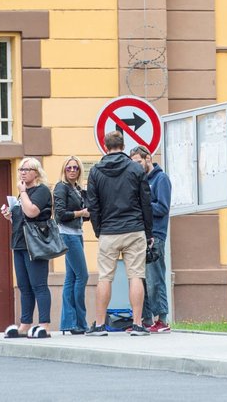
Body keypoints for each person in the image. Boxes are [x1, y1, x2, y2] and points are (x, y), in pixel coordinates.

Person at [85, 129, 153, 337]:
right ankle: (138, 324)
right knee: (136, 276)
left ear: (105, 147)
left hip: (108, 231)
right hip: (134, 229)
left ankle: (99, 325)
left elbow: (93, 206)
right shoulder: (135, 169)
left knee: (105, 277)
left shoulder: (95, 171)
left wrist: (99, 230)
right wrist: (147, 231)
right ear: (123, 146)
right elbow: (146, 203)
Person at [0, 157, 54, 338]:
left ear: (36, 172)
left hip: (36, 244)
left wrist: (23, 193)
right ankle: (25, 324)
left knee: (39, 284)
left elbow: (32, 212)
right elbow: (21, 217)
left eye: (26, 169)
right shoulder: (21, 194)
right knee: (24, 286)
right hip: (20, 244)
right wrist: (9, 215)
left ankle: (44, 324)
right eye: (21, 169)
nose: (22, 172)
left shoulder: (42, 191)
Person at [129, 145, 172, 333]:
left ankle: (162, 320)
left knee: (155, 279)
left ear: (148, 158)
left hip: (156, 235)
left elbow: (162, 207)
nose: (137, 166)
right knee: (141, 279)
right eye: (134, 164)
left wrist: (141, 206)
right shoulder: (140, 180)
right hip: (141, 235)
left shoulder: (161, 179)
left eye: (138, 162)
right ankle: (145, 320)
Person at [53, 156, 91, 335]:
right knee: (82, 276)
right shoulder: (61, 187)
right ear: (64, 170)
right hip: (67, 235)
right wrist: (80, 213)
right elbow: (60, 214)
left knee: (71, 278)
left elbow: (88, 214)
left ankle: (69, 323)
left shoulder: (78, 189)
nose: (73, 170)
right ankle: (79, 322)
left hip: (77, 234)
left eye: (76, 168)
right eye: (69, 168)